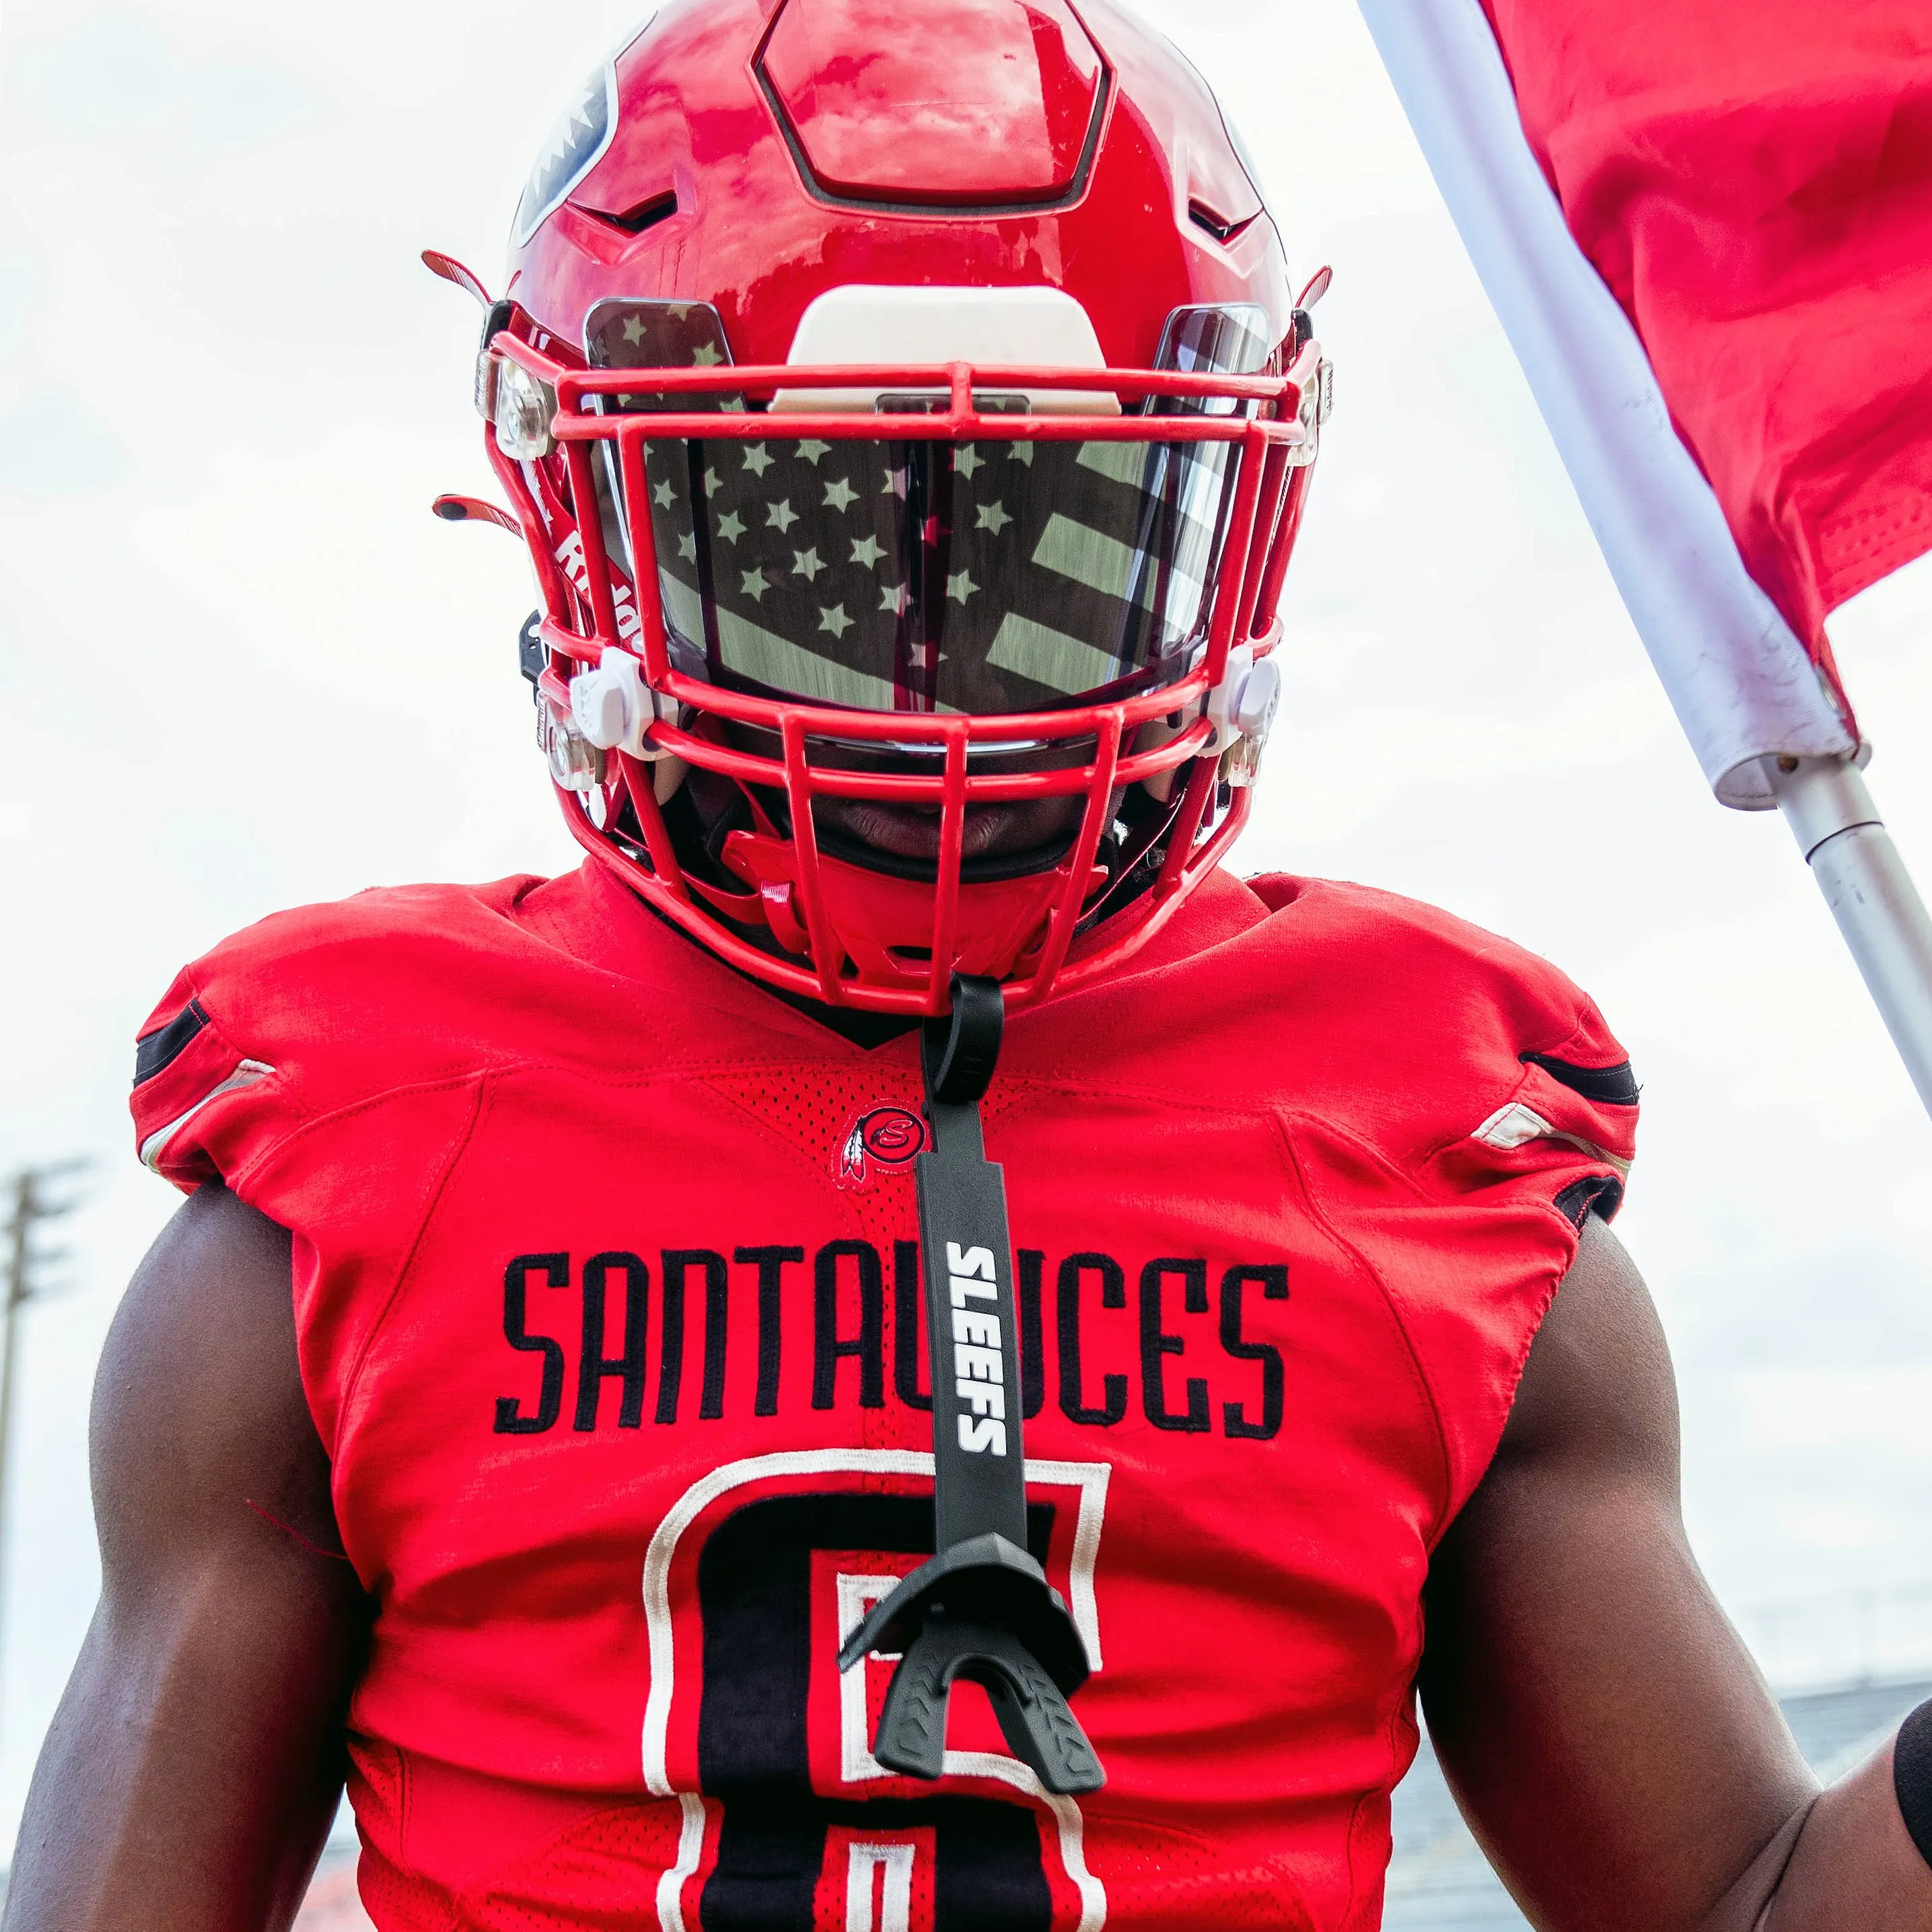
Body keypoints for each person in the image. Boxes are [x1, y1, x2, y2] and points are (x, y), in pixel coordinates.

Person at [7, 0, 1931, 1927]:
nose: (931, 687)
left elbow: (1740, 1903)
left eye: (1052, 546)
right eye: (807, 550)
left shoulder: (1435, 1145)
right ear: (577, 515)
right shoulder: (344, 1159)